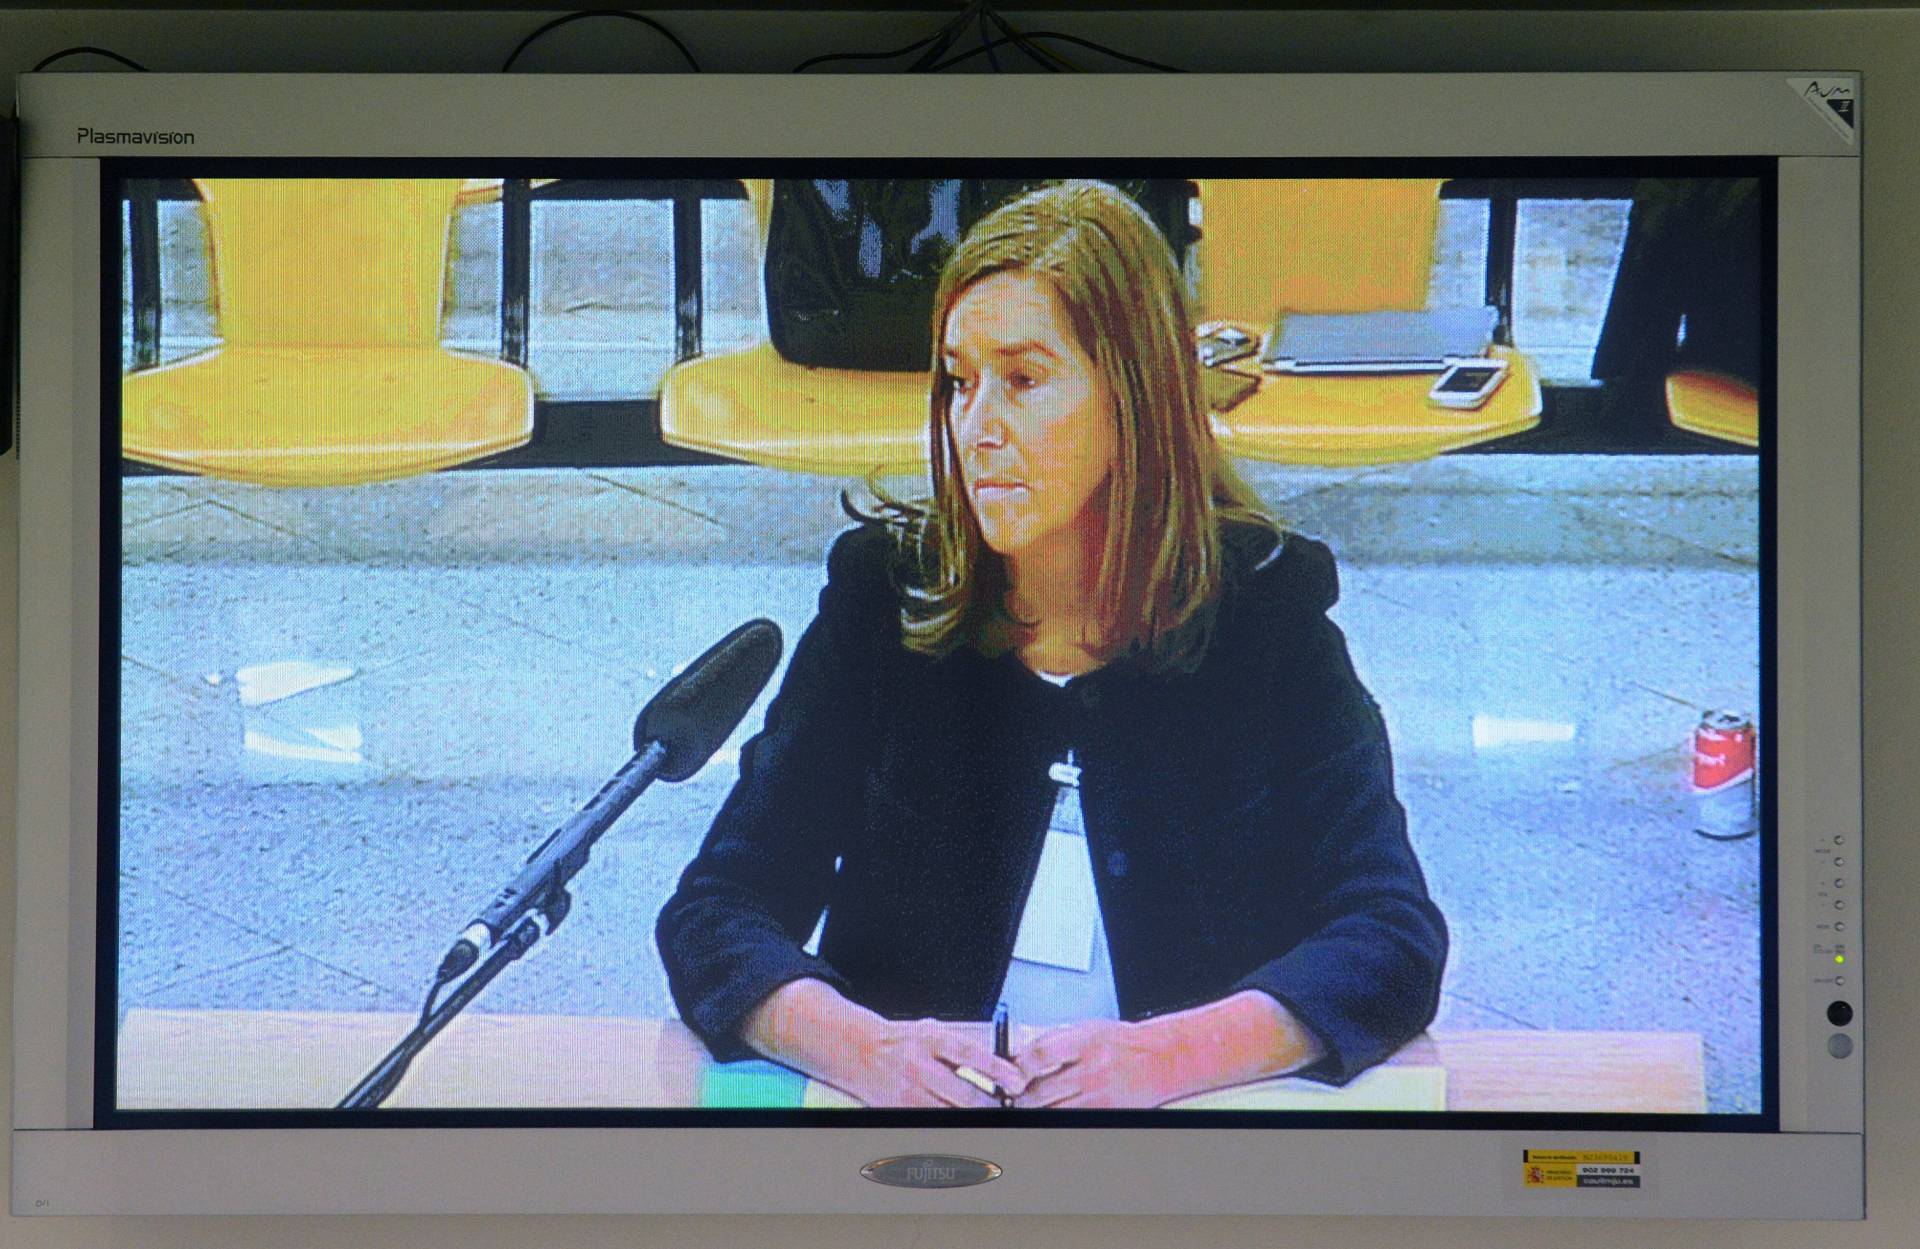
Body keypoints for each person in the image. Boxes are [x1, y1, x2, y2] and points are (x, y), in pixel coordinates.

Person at [656, 179, 1446, 1109]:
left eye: (1024, 380)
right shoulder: (885, 597)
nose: (976, 425)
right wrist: (866, 1051)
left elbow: (1391, 934)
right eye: (958, 380)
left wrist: (1162, 1059)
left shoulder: (1266, 613)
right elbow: (719, 908)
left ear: (1136, 396)